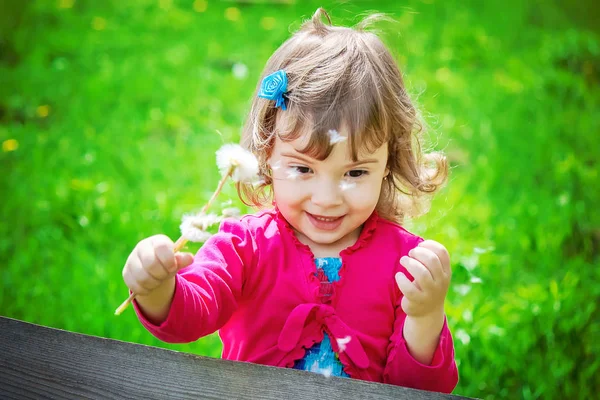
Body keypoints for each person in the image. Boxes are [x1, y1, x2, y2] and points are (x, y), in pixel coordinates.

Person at [122, 8, 459, 393]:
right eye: (302, 169)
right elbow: (190, 315)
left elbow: (418, 389)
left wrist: (426, 314)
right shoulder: (243, 247)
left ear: (388, 163)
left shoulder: (404, 264)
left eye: (355, 173)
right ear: (267, 152)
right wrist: (156, 289)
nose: (327, 198)